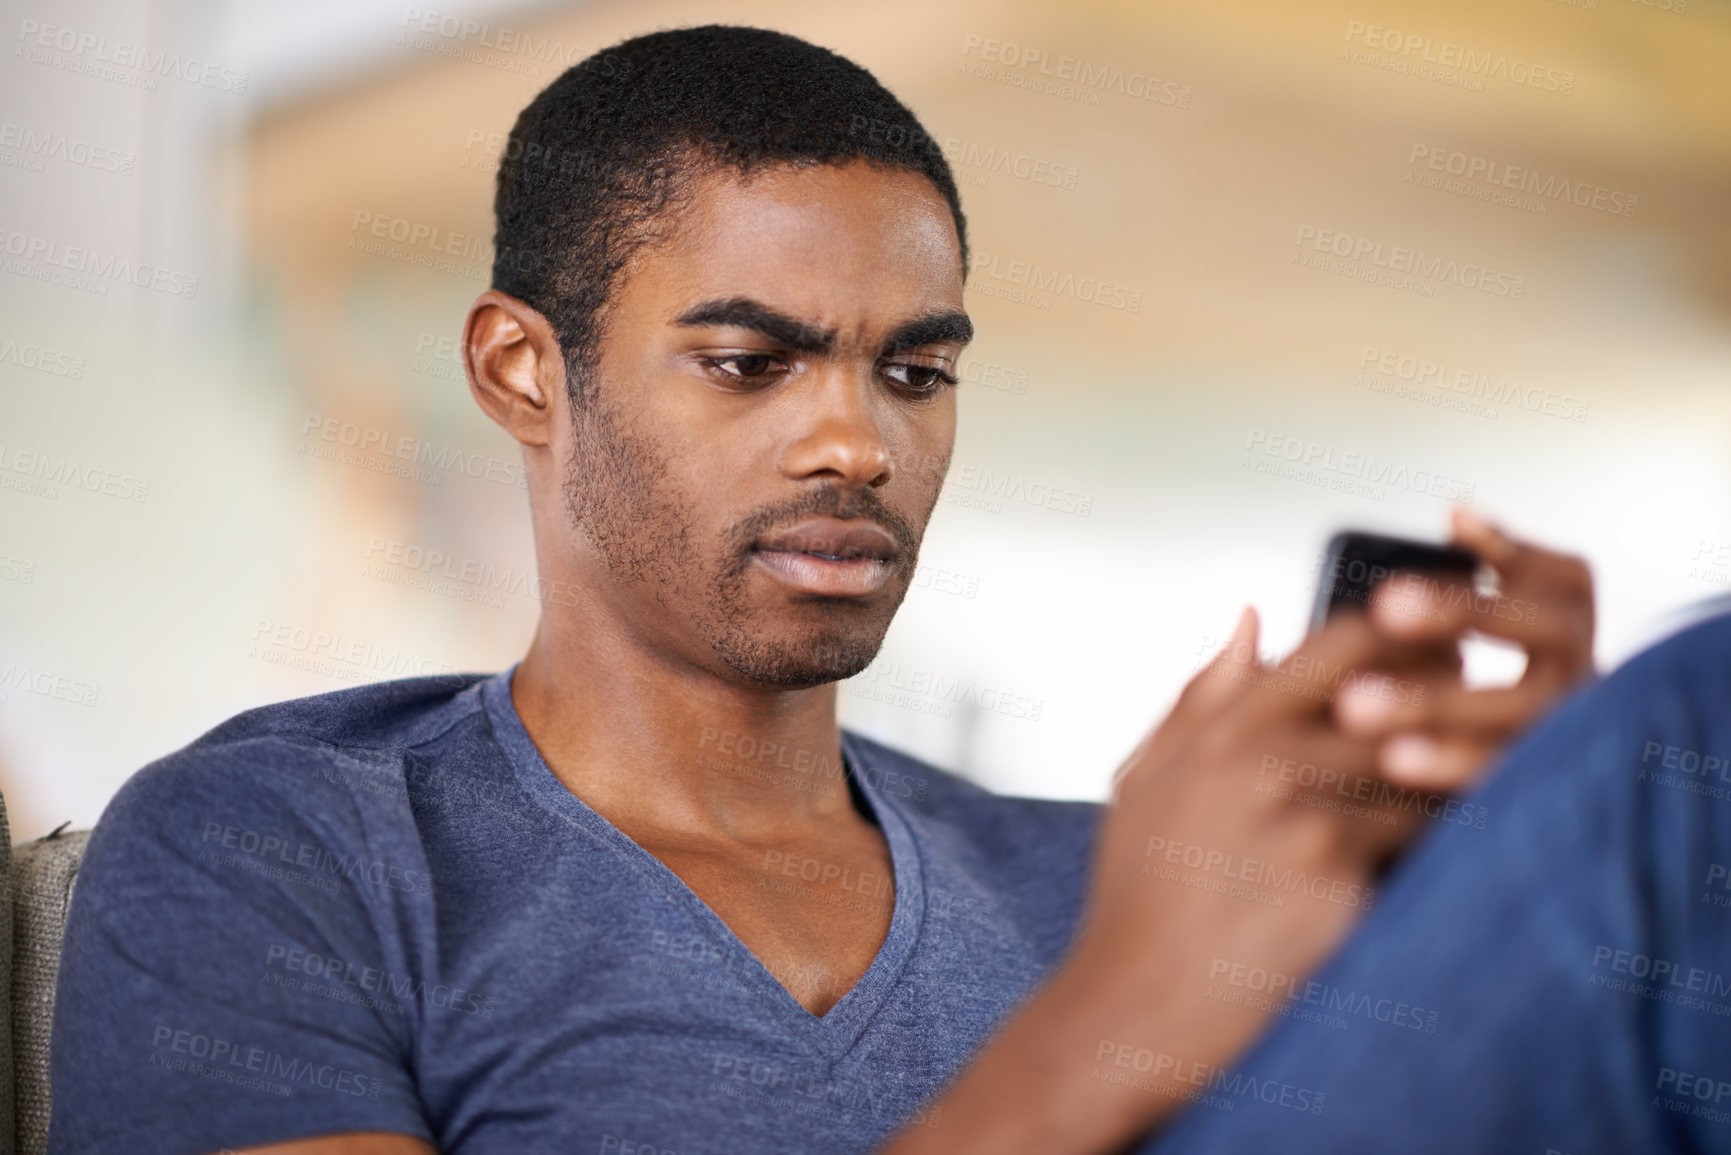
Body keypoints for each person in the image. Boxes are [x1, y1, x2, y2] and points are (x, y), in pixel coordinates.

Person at [46, 26, 1604, 1155]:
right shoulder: (280, 846)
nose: (860, 440)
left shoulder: (1117, 883)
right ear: (525, 371)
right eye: (749, 362)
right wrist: (1098, 1040)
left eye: (916, 371)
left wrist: (1527, 867)